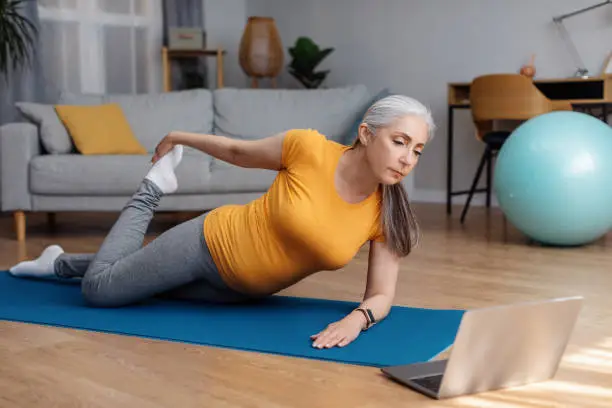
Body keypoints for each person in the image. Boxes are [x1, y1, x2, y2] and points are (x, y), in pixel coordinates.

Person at [9, 94, 434, 349]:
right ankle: (151, 190)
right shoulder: (308, 148)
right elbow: (237, 152)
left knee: (143, 281)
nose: (406, 159)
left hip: (236, 294)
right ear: (365, 134)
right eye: (399, 142)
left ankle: (58, 262)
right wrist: (179, 137)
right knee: (100, 292)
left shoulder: (388, 213)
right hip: (209, 242)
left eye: (416, 150)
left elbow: (380, 294)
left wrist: (354, 320)